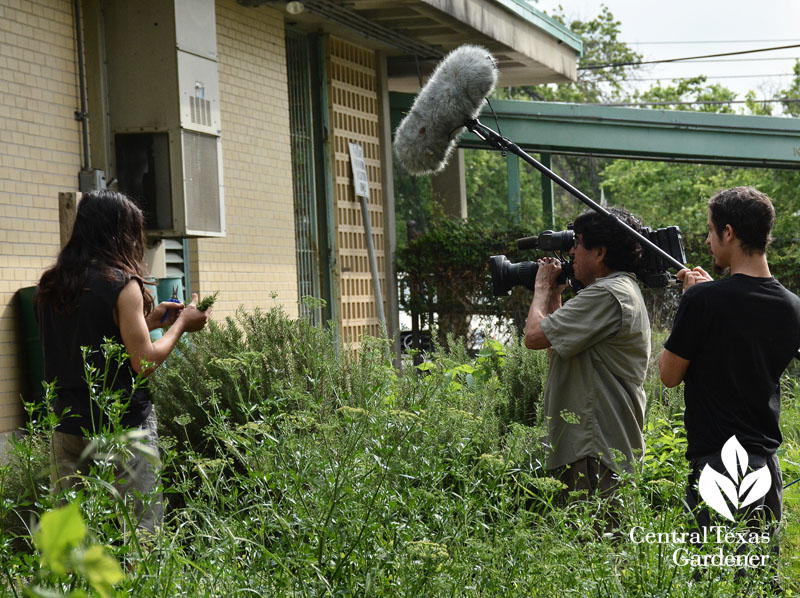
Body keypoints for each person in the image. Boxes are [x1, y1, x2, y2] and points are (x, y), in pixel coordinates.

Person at [35, 190, 211, 533]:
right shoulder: (121, 284)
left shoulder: (51, 284)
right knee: (141, 535)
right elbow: (143, 362)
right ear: (122, 234)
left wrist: (152, 322)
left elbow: (92, 343)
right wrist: (181, 325)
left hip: (68, 428)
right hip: (123, 428)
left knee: (71, 540)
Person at [659, 187, 800, 552]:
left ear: (729, 232)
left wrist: (692, 299)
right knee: (755, 579)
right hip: (766, 468)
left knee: (710, 577)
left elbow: (668, 375)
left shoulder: (702, 300)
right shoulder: (792, 306)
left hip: (717, 467)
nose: (707, 240)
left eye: (710, 230)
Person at [525, 207, 651, 496]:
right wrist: (556, 295)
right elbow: (559, 346)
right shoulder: (620, 289)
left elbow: (533, 337)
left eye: (578, 243)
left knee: (595, 536)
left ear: (600, 253)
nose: (571, 251)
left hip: (596, 449)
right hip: (595, 446)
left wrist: (542, 288)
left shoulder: (606, 294)